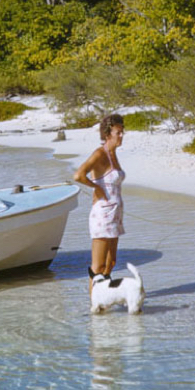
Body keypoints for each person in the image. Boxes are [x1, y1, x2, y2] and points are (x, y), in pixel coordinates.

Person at [74, 113, 126, 291]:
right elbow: (78, 175)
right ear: (107, 134)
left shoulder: (113, 154)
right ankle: (95, 307)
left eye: (122, 132)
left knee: (111, 262)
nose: (121, 136)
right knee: (98, 266)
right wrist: (96, 187)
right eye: (118, 132)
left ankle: (106, 300)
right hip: (102, 214)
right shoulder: (99, 154)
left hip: (116, 214)